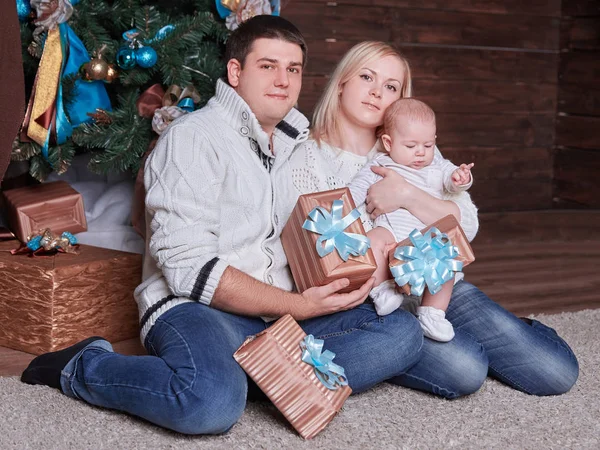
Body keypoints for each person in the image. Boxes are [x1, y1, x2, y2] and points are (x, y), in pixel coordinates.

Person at [20, 17, 424, 435]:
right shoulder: (193, 138)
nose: (283, 80)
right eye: (268, 66)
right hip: (200, 309)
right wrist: (300, 307)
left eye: (294, 69)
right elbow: (186, 269)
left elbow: (322, 234)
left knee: (401, 332)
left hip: (280, 317)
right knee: (207, 405)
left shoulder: (301, 147)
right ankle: (85, 365)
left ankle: (259, 373)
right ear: (236, 72)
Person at [286, 40, 579, 399]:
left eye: (391, 86)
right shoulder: (307, 158)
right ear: (341, 82)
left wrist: (407, 195)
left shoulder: (418, 149)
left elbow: (465, 226)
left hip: (436, 279)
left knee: (555, 372)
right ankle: (403, 346)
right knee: (466, 368)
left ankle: (512, 328)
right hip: (374, 301)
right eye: (367, 77)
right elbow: (308, 252)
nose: (378, 92)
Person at [348, 97, 475, 342]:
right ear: (388, 142)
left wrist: (461, 177)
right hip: (391, 230)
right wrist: (343, 207)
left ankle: (433, 313)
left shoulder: (436, 166)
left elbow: (453, 181)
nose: (420, 152)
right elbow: (356, 189)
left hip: (427, 239)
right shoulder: (381, 164)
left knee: (448, 261)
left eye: (428, 145)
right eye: (411, 146)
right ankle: (382, 289)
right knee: (372, 242)